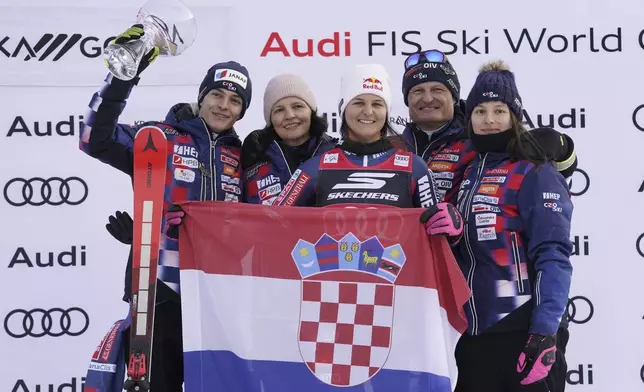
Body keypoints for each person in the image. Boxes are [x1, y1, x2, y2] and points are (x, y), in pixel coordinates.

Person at [79, 24, 252, 392]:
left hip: (219, 293)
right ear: (201, 97)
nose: (223, 105)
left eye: (235, 101)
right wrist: (122, 79)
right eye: (217, 95)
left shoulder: (245, 156)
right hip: (159, 289)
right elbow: (93, 139)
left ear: (241, 111)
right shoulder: (160, 137)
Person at [453, 60, 572, 392]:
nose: (489, 120)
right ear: (470, 118)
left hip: (523, 331)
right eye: (480, 111)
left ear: (514, 115)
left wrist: (545, 331)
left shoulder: (534, 171)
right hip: (475, 334)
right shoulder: (468, 171)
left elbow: (554, 254)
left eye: (499, 110)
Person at [269, 63, 463, 244]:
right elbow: (270, 227)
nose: (368, 112)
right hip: (332, 278)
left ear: (387, 112)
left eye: (377, 104)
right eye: (358, 103)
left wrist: (454, 229)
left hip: (396, 277)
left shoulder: (415, 168)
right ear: (343, 110)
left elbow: (441, 242)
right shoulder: (314, 169)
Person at [399, 49, 578, 204]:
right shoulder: (394, 148)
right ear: (407, 99)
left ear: (454, 96)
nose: (428, 98)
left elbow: (553, 178)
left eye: (438, 90)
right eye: (417, 91)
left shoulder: (480, 138)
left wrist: (561, 148)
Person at [241, 74, 337, 204]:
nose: (290, 115)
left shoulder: (337, 156)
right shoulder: (253, 162)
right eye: (279, 110)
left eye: (298, 106)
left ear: (311, 111)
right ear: (270, 120)